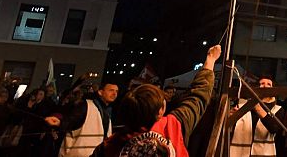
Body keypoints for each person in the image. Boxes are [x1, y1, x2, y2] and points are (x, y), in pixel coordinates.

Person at [90, 44, 221, 157]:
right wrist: (210, 60)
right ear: (160, 111)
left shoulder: (110, 145)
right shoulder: (172, 126)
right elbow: (199, 95)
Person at [46, 82, 119, 157]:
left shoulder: (108, 111)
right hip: (79, 154)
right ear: (100, 92)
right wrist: (59, 123)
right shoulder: (86, 105)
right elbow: (71, 121)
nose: (114, 93)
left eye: (116, 91)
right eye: (111, 90)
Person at [230, 77, 282, 157]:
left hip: (263, 153)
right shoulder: (242, 106)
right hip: (240, 153)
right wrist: (230, 117)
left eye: (269, 84)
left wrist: (257, 107)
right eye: (262, 83)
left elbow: (274, 128)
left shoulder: (277, 109)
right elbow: (228, 129)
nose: (265, 86)